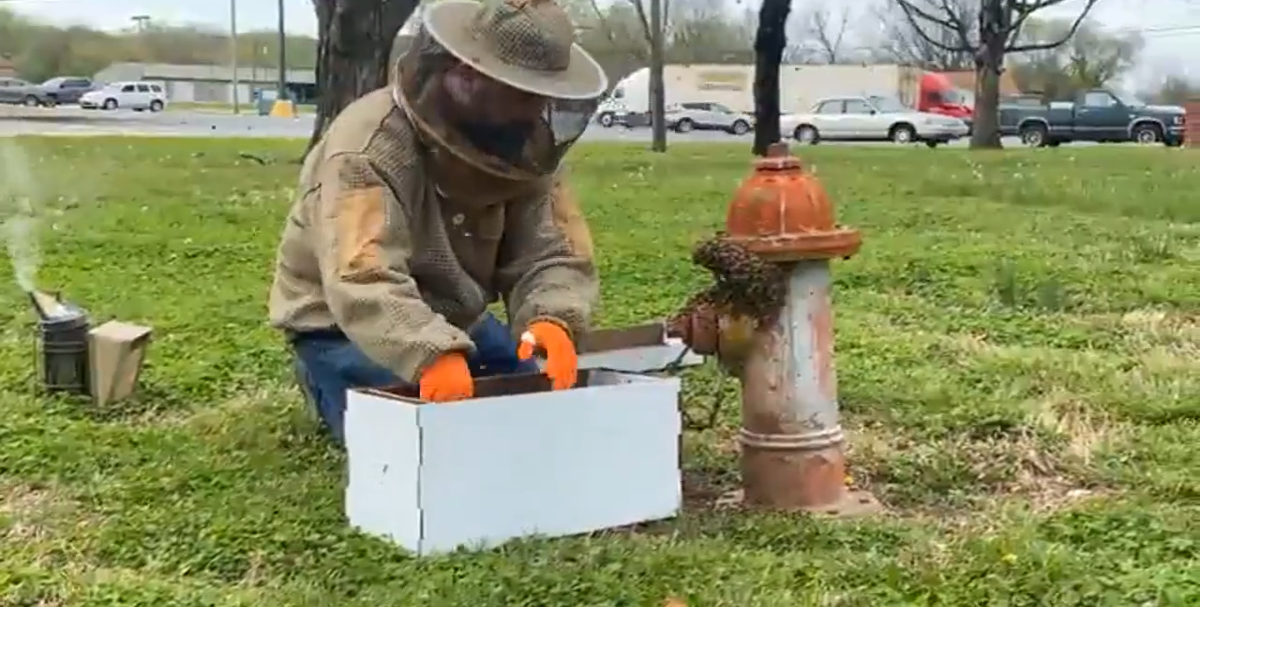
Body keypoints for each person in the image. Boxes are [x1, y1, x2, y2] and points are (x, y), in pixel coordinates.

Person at [267, 0, 608, 443]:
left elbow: (553, 250)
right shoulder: (365, 149)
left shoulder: (524, 149)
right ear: (467, 76)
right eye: (523, 93)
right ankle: (321, 379)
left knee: (537, 413)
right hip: (342, 329)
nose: (536, 108)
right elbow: (363, 275)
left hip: (457, 318)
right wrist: (428, 353)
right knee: (428, 444)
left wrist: (552, 319)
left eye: (543, 92)